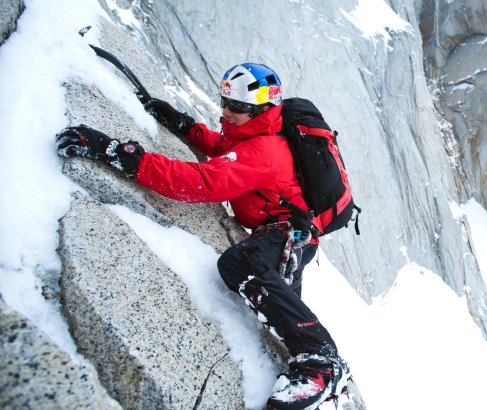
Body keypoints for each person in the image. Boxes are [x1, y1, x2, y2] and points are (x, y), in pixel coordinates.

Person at [56, 63, 350, 410]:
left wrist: (120, 154)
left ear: (261, 109)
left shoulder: (266, 151)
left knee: (241, 264)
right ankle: (309, 366)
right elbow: (223, 148)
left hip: (289, 235)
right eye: (225, 101)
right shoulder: (253, 135)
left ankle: (322, 363)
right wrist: (180, 123)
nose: (226, 111)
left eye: (237, 107)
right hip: (288, 234)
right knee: (279, 309)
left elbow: (201, 182)